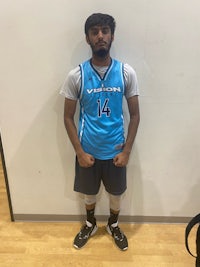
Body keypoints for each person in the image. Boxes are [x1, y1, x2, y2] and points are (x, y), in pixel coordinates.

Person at [60, 13, 140, 251]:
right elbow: (67, 117)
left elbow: (135, 115)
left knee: (116, 194)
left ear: (112, 36)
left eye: (105, 31)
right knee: (89, 194)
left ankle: (114, 225)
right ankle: (90, 223)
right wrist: (79, 152)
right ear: (88, 38)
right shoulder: (77, 75)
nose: (100, 36)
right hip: (88, 152)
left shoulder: (126, 72)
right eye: (94, 32)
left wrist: (127, 151)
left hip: (116, 151)